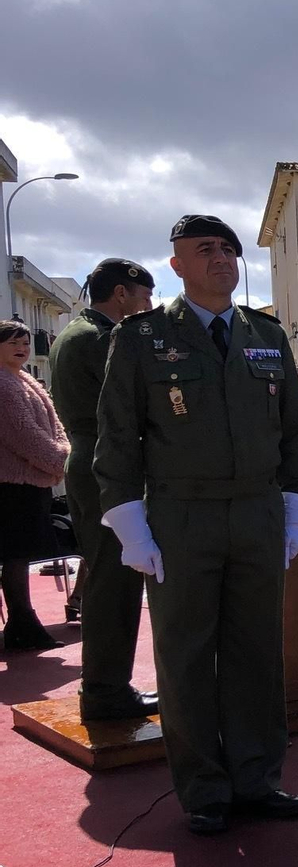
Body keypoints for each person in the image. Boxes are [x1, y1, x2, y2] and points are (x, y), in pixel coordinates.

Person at [96, 214, 298, 833]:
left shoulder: (265, 333)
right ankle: (204, 789)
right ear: (177, 265)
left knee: (256, 650)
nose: (221, 259)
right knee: (187, 653)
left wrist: (295, 512)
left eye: (227, 249)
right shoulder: (141, 337)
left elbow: (292, 433)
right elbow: (118, 439)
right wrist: (132, 528)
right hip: (180, 516)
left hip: (256, 512)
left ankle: (257, 778)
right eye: (205, 250)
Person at [45, 259, 158, 711]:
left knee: (105, 574)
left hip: (89, 461)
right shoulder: (103, 338)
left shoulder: (73, 333)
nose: (148, 306)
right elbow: (134, 402)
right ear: (121, 293)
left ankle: (103, 686)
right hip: (107, 466)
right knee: (115, 580)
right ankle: (106, 691)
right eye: (145, 296)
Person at [1, 319, 70, 653]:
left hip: (32, 481)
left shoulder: (24, 379)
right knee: (15, 554)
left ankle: (21, 623)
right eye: (13, 342)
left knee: (20, 554)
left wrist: (62, 453)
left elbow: (54, 425)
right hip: (11, 484)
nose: (22, 348)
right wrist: (61, 461)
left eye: (25, 342)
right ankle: (23, 624)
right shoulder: (3, 385)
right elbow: (22, 434)